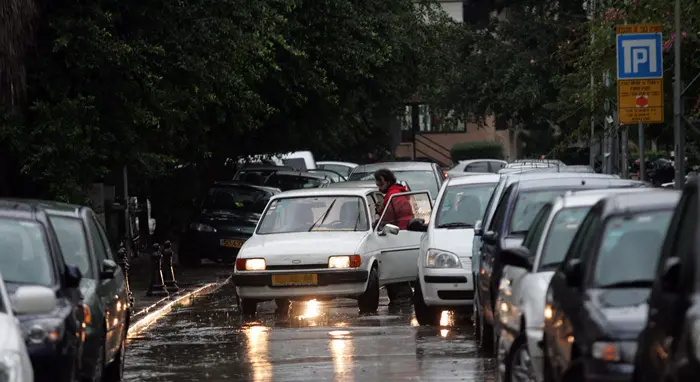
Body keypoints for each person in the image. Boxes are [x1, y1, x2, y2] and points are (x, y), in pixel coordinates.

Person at [374, 169, 413, 307]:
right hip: (401, 233)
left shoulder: (394, 195)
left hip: (397, 235)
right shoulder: (397, 193)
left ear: (386, 180)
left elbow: (388, 217)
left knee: (394, 270)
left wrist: (380, 213)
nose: (379, 186)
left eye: (380, 183)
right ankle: (402, 297)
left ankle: (402, 298)